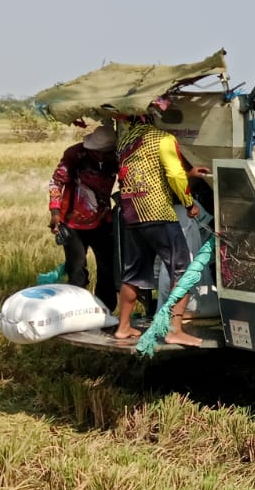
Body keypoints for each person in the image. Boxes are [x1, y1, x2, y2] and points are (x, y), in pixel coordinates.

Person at [112, 99, 203, 347]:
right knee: (184, 271)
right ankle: (174, 329)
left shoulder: (124, 144)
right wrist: (188, 203)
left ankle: (123, 327)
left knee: (132, 274)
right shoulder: (163, 139)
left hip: (131, 214)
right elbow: (174, 174)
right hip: (158, 213)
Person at [48, 122, 119, 309]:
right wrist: (55, 212)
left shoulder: (116, 157)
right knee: (76, 268)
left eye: (106, 151)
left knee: (107, 268)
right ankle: (78, 310)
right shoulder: (75, 155)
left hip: (103, 221)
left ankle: (106, 311)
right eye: (98, 151)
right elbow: (56, 182)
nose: (101, 155)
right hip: (72, 222)